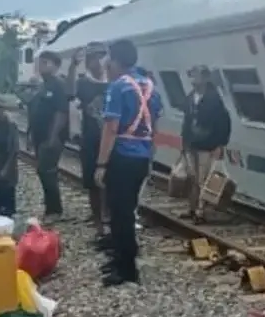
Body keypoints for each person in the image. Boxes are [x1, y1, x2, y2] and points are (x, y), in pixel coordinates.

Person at [94, 39, 163, 287]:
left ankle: (126, 268)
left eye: (108, 59)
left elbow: (111, 128)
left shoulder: (118, 87)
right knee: (128, 210)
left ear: (115, 60)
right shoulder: (150, 87)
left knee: (119, 213)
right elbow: (154, 126)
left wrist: (101, 164)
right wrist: (150, 157)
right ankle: (121, 259)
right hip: (142, 156)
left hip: (121, 156)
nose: (105, 63)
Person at [68, 42, 110, 239]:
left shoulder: (115, 81)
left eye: (100, 57)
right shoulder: (84, 84)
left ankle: (109, 217)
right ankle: (98, 220)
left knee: (112, 181)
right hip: (91, 139)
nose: (97, 62)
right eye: (92, 58)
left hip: (111, 139)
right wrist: (72, 67)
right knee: (93, 182)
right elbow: (70, 94)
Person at [180, 65, 232, 223]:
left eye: (195, 76)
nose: (192, 80)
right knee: (192, 178)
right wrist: (184, 143)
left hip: (208, 144)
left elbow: (224, 123)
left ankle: (201, 211)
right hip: (192, 143)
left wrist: (220, 144)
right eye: (191, 76)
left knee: (204, 179)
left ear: (204, 78)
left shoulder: (214, 98)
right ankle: (193, 207)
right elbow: (186, 121)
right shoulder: (190, 98)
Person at [27, 51, 68, 219]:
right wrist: (30, 135)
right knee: (43, 171)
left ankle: (54, 210)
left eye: (46, 62)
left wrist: (53, 137)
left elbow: (61, 113)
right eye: (40, 62)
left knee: (47, 171)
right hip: (40, 136)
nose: (41, 65)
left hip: (51, 137)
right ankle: (50, 206)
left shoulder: (58, 85)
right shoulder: (43, 85)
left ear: (56, 65)